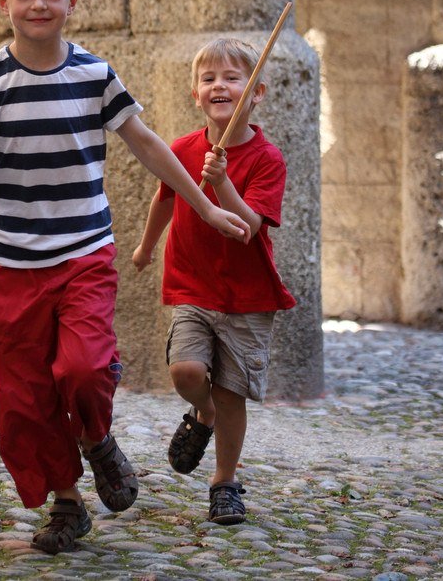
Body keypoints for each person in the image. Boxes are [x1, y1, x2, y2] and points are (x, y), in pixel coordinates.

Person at [0, 0, 250, 554]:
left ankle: (98, 439)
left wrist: (201, 205)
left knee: (83, 368)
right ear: (1, 1)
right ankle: (67, 504)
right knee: (23, 399)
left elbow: (148, 143)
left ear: (75, 0)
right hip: (10, 269)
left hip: (82, 258)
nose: (38, 4)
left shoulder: (95, 74)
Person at [131, 37, 295, 526]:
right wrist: (146, 246)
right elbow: (165, 198)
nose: (219, 85)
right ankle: (201, 414)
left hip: (246, 296)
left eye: (232, 77)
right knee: (186, 373)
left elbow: (249, 228)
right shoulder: (180, 148)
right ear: (195, 95)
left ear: (257, 92)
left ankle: (224, 480)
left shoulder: (268, 159)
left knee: (232, 393)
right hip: (192, 286)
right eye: (208, 78)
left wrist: (221, 180)